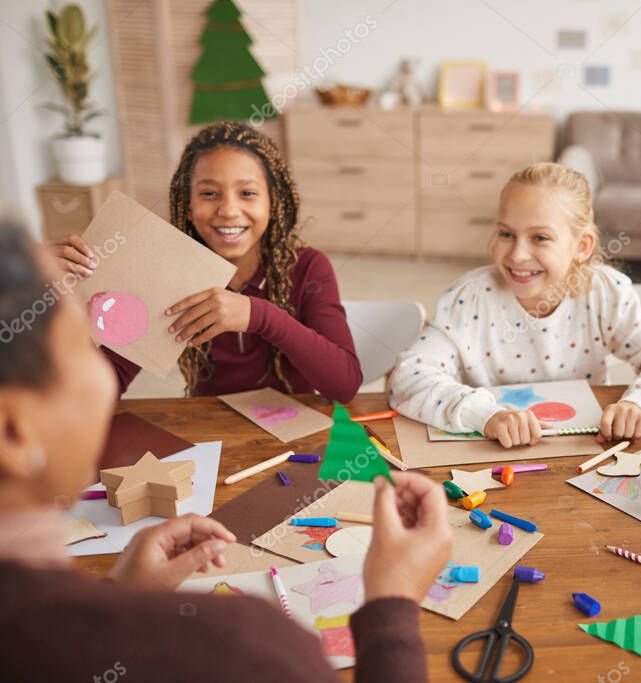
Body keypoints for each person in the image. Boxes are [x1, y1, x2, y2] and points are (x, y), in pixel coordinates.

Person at [0, 218, 450, 682]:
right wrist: (393, 605)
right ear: (15, 430)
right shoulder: (246, 648)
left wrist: (124, 592)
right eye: (82, 345)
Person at [389, 162, 641, 448]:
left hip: (582, 451)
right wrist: (485, 415)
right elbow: (408, 377)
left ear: (582, 246)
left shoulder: (605, 293)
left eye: (540, 238)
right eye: (506, 234)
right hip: (493, 455)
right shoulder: (470, 297)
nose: (517, 255)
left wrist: (640, 404)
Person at [51, 121, 362, 400]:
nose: (228, 210)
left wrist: (260, 316)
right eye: (209, 194)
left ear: (273, 203)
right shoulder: (166, 274)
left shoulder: (309, 268)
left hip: (295, 432)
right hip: (211, 434)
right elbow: (100, 390)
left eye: (247, 193)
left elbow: (345, 384)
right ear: (188, 206)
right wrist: (59, 309)